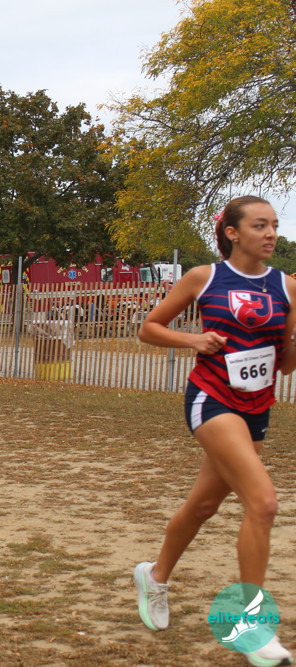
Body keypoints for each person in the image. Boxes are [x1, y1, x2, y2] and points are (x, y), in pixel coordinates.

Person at [135, 196, 296, 666]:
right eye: (260, 225)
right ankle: (252, 628)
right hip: (212, 398)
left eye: (274, 225)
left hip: (257, 407)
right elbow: (149, 328)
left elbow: (287, 364)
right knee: (263, 502)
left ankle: (154, 577)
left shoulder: (286, 287)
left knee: (204, 505)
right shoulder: (204, 277)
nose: (271, 234)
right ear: (232, 232)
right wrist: (195, 339)